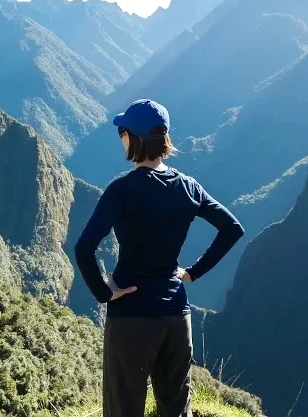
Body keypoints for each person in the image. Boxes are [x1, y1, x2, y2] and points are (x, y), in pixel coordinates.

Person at [74, 98, 245, 417]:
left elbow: (84, 248)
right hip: (177, 316)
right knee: (177, 409)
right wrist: (193, 273)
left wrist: (104, 293)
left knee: (123, 409)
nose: (120, 137)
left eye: (122, 131)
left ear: (132, 138)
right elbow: (232, 228)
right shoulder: (189, 187)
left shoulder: (121, 190)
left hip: (132, 317)